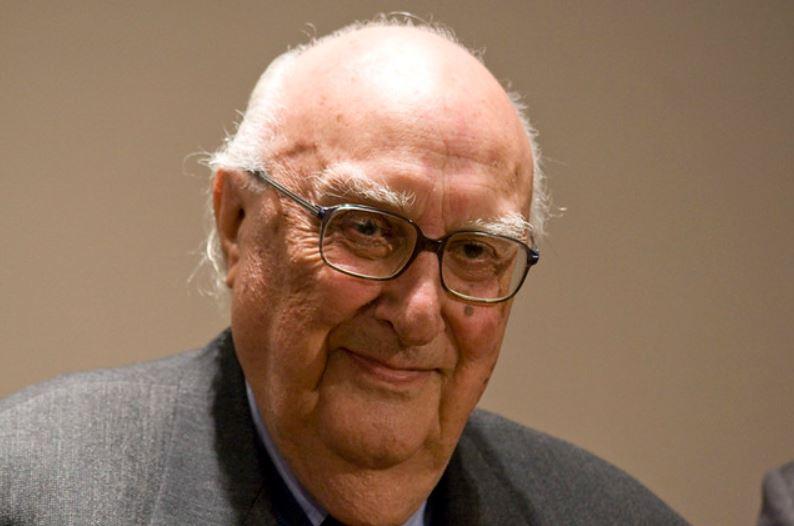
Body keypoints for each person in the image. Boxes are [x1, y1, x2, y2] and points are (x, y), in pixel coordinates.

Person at [0, 19, 689, 525]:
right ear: (237, 222)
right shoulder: (35, 491)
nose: (418, 313)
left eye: (476, 252)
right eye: (368, 229)